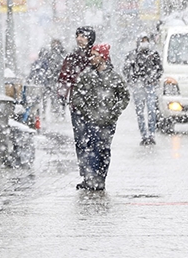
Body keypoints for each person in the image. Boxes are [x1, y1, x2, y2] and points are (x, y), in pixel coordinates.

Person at [70, 44, 130, 191]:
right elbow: (77, 96)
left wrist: (114, 112)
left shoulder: (114, 77)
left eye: (95, 55)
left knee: (103, 149)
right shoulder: (86, 76)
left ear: (103, 57)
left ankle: (100, 178)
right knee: (90, 147)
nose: (91, 58)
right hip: (90, 120)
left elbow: (124, 97)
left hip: (107, 122)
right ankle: (91, 178)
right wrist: (87, 113)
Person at [57, 27, 96, 188]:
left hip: (95, 107)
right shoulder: (72, 58)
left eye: (83, 36)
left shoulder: (96, 57)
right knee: (80, 141)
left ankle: (96, 173)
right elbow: (63, 79)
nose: (79, 39)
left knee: (95, 140)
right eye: (77, 36)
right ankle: (86, 175)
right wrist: (62, 95)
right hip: (77, 106)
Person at [123, 33, 163, 146]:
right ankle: (144, 135)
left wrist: (154, 79)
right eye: (142, 40)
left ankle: (151, 134)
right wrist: (132, 81)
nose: (144, 43)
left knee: (151, 110)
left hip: (150, 86)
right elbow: (126, 69)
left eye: (146, 40)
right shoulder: (132, 55)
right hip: (138, 87)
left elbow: (159, 69)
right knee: (140, 112)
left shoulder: (153, 54)